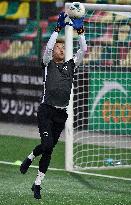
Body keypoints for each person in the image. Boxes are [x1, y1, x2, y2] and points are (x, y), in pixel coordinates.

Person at [20, 12, 87, 200]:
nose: (61, 49)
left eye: (63, 47)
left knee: (48, 149)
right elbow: (48, 48)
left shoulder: (71, 65)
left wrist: (80, 30)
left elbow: (83, 49)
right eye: (59, 46)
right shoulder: (48, 63)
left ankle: (37, 183)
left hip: (61, 114)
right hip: (46, 111)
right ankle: (32, 157)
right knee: (48, 144)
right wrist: (57, 29)